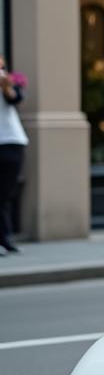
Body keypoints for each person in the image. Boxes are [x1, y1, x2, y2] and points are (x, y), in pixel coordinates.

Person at [0, 56, 28, 255]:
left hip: (11, 142)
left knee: (6, 194)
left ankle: (5, 238)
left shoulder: (8, 86)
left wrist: (7, 87)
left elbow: (15, 98)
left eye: (3, 67)